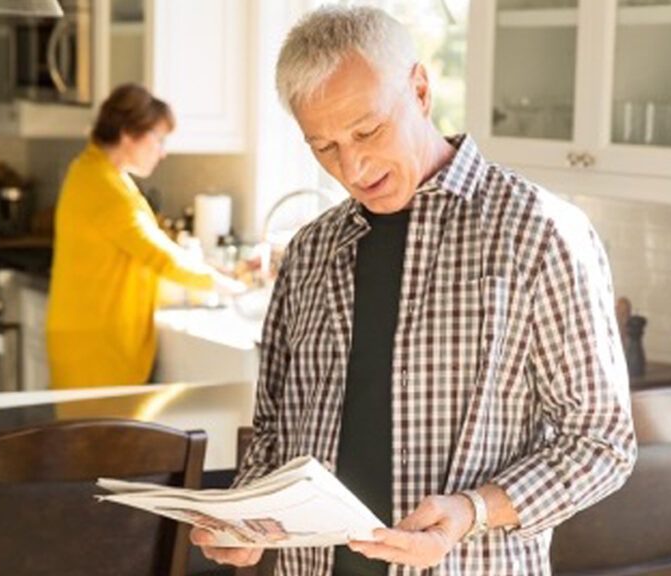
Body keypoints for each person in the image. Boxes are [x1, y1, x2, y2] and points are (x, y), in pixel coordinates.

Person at [191, 6, 636, 575]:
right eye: (323, 147)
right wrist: (244, 518)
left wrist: (471, 510)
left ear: (420, 90)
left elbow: (602, 444)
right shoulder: (309, 253)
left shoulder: (540, 233)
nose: (352, 165)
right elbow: (275, 430)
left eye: (367, 130)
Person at [46, 84, 243, 389]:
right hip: (96, 346)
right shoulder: (106, 188)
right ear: (128, 133)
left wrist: (216, 273)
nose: (163, 152)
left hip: (85, 336)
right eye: (159, 139)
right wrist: (224, 284)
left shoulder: (91, 170)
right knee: (100, 436)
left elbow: (138, 252)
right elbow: (158, 255)